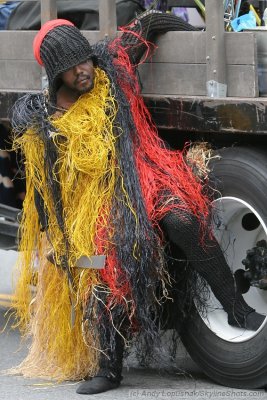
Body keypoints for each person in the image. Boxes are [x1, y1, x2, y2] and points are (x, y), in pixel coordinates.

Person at [10, 10, 264, 395]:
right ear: (55, 75)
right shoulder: (51, 120)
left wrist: (199, 32)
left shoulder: (113, 66)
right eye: (70, 69)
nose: (82, 71)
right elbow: (47, 185)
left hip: (151, 171)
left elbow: (147, 24)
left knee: (181, 219)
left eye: (83, 60)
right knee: (105, 260)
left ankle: (236, 305)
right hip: (105, 197)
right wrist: (53, 234)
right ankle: (108, 368)